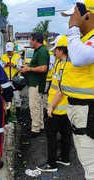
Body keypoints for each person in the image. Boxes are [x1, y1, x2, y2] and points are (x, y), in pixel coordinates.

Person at [61, 1, 94, 179]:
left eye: (74, 15)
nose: (71, 20)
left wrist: (73, 27)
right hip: (82, 110)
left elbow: (79, 58)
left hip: (88, 111)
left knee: (91, 167)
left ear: (87, 15)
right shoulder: (85, 40)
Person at [36, 35, 72, 172]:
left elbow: (61, 90)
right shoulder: (61, 63)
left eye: (55, 49)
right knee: (66, 133)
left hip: (57, 108)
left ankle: (51, 164)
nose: (53, 52)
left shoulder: (66, 66)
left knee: (51, 134)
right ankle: (65, 158)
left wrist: (50, 106)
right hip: (64, 109)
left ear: (61, 50)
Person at [20, 32, 49, 138]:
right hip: (35, 83)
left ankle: (35, 129)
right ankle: (40, 125)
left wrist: (29, 69)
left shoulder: (42, 51)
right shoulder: (39, 51)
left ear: (35, 40)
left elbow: (43, 68)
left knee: (34, 106)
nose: (30, 42)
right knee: (39, 105)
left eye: (31, 40)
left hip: (36, 83)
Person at [0, 42, 23, 121]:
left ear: (13, 49)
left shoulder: (18, 57)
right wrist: (5, 65)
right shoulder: (3, 57)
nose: (9, 52)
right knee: (7, 98)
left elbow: (21, 68)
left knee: (17, 98)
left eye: (10, 50)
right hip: (6, 81)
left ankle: (18, 115)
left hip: (15, 81)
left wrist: (14, 66)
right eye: (8, 51)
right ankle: (8, 114)